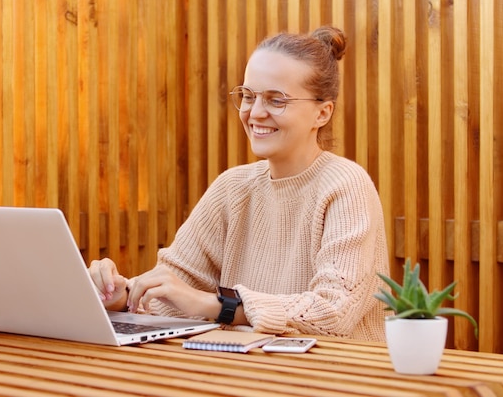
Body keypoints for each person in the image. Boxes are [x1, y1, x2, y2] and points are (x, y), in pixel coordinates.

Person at [89, 25, 390, 342]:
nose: (255, 113)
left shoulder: (345, 185)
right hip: (247, 370)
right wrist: (122, 296)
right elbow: (175, 291)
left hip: (340, 377)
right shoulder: (232, 187)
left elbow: (333, 312)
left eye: (276, 100)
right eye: (248, 96)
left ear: (322, 113)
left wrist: (219, 305)